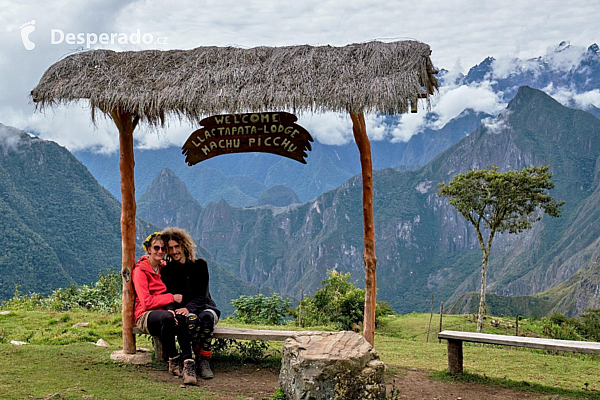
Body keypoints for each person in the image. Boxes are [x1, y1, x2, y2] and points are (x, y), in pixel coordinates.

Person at [132, 232, 197, 385]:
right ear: (149, 249)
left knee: (179, 319)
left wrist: (174, 308)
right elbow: (146, 302)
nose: (160, 251)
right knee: (168, 318)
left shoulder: (164, 268)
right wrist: (171, 298)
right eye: (156, 248)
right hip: (145, 315)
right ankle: (173, 361)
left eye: (163, 249)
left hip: (165, 312)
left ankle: (188, 363)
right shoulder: (140, 271)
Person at [160, 227, 221, 380]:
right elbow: (169, 295)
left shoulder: (200, 265)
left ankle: (204, 359)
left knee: (206, 318)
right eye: (170, 248)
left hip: (205, 306)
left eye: (177, 247)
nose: (174, 251)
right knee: (191, 320)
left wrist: (188, 308)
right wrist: (175, 310)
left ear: (184, 246)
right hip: (186, 311)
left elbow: (202, 295)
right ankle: (195, 356)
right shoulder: (168, 271)